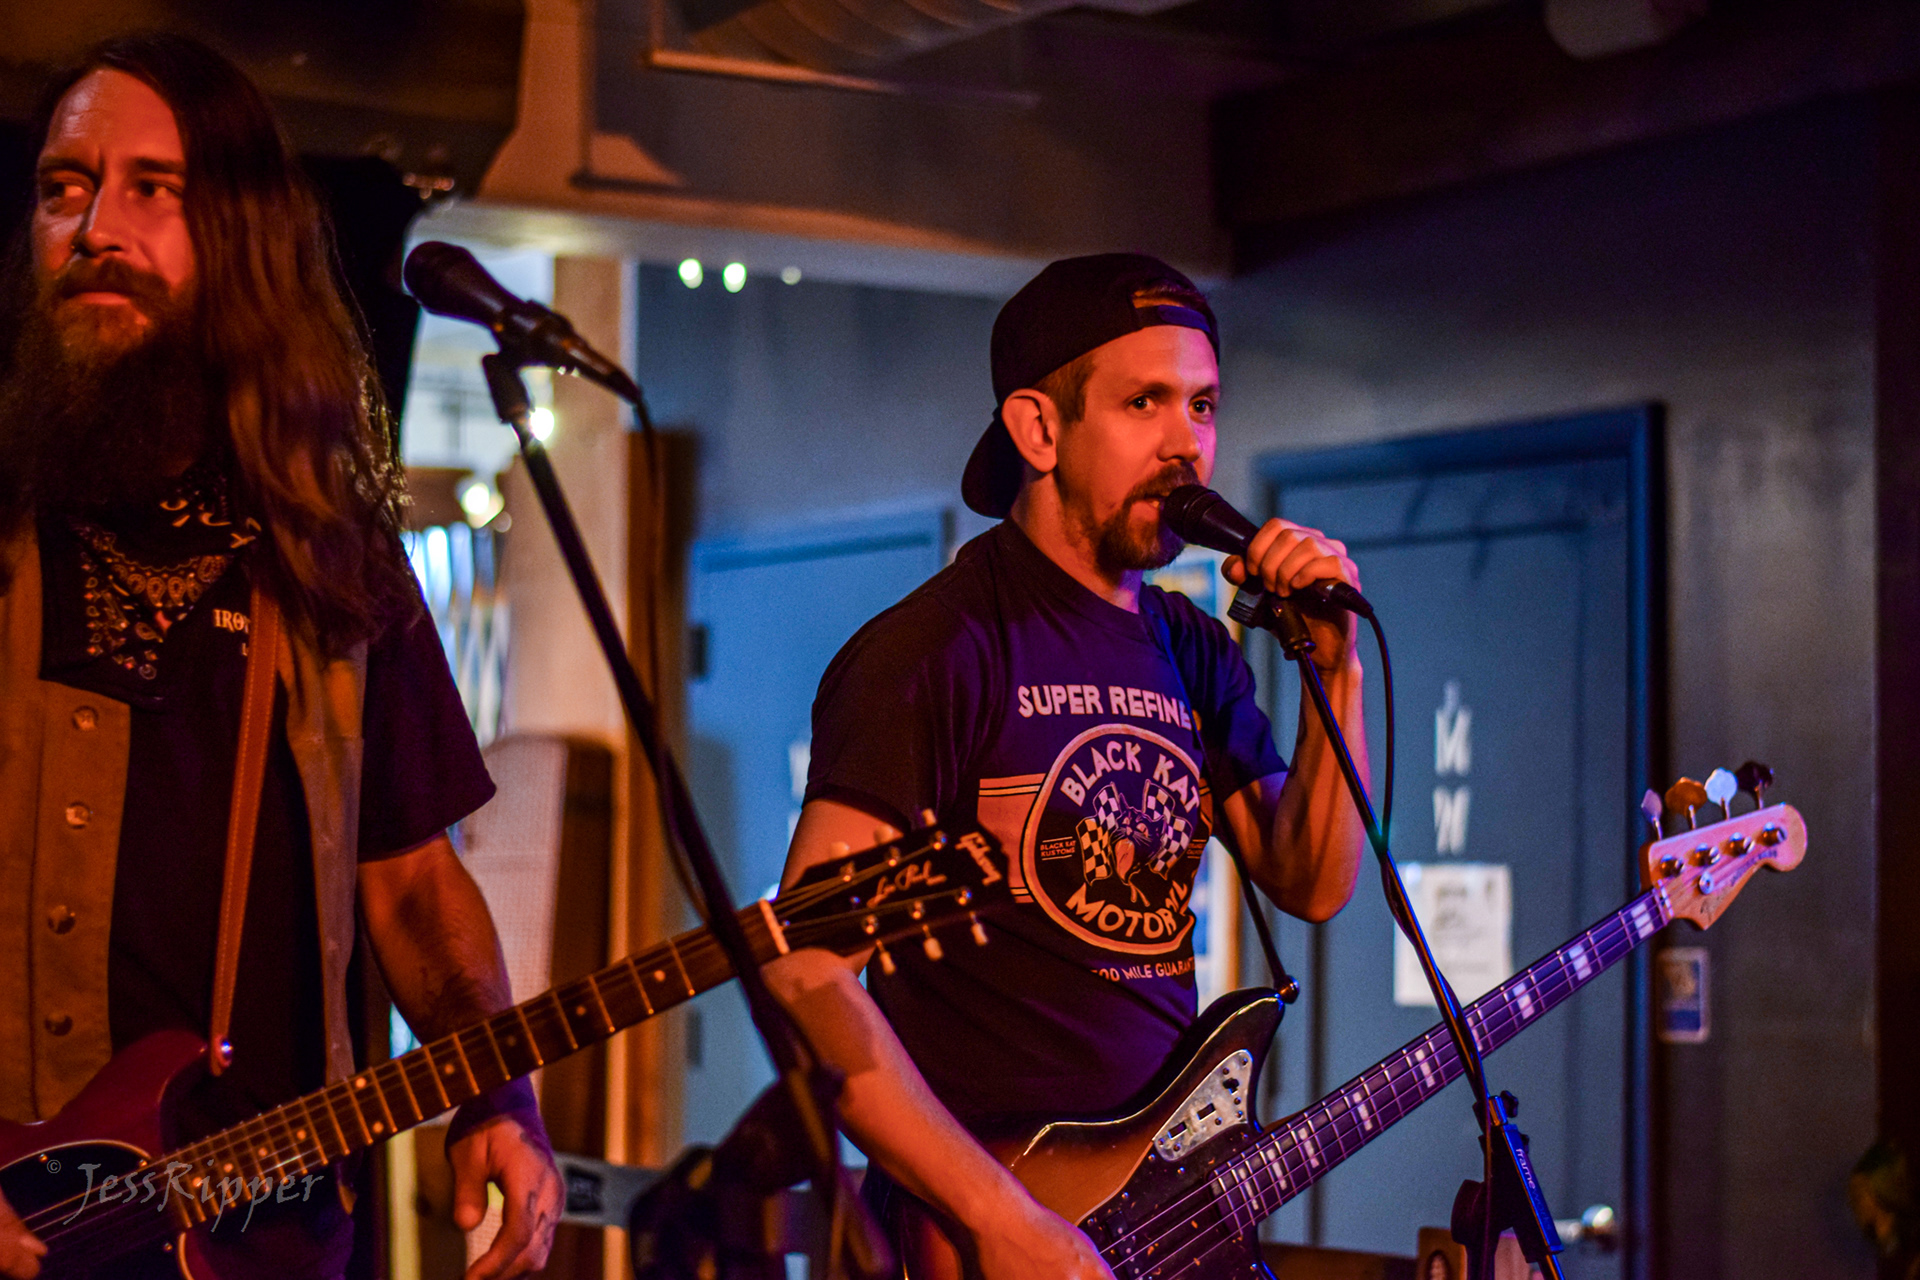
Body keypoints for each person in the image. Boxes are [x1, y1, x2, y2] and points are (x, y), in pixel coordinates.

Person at [0, 33, 560, 1280]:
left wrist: (499, 1098)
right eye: (63, 187)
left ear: (241, 237)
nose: (95, 227)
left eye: (153, 188)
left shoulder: (330, 559)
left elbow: (413, 886)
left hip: (268, 1239)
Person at [765, 253, 1371, 1275]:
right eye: (1144, 402)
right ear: (1039, 430)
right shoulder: (934, 650)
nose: (1186, 444)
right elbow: (807, 972)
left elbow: (1311, 879)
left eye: (1203, 405)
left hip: (1159, 1219)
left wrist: (1336, 669)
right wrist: (1000, 1217)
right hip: (982, 1232)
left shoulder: (1191, 648)